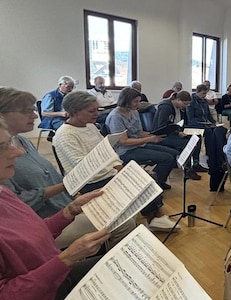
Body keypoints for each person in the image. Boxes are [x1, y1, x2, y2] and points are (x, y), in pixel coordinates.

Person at [0, 120, 110, 300]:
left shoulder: (2, 192)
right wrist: (67, 258)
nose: (18, 150)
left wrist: (67, 213)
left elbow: (30, 234)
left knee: (119, 264)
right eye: (3, 146)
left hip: (51, 282)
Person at [0, 87, 135, 248]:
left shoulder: (22, 141)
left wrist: (73, 196)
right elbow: (18, 203)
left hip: (64, 206)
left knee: (127, 207)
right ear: (2, 115)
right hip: (42, 221)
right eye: (26, 111)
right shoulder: (6, 156)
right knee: (124, 222)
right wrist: (67, 188)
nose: (35, 116)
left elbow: (48, 176)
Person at [53, 90, 178, 233]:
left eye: (97, 110)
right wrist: (117, 173)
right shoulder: (65, 135)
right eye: (91, 111)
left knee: (146, 176)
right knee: (140, 179)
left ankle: (155, 216)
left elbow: (108, 152)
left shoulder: (90, 126)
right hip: (87, 181)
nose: (96, 114)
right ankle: (154, 217)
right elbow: (83, 167)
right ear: (75, 112)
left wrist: (119, 167)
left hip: (105, 173)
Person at [106, 87, 178, 191]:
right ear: (126, 100)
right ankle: (153, 187)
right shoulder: (115, 116)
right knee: (167, 158)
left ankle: (158, 181)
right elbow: (124, 142)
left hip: (139, 145)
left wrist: (155, 135)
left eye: (139, 101)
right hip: (125, 151)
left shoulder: (134, 111)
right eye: (136, 101)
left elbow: (140, 133)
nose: (138, 104)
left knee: (174, 153)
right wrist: (150, 139)